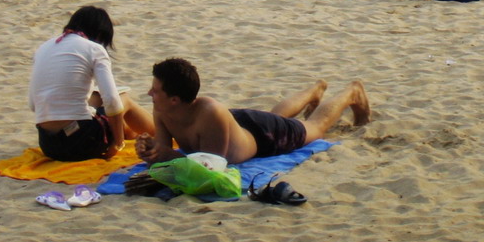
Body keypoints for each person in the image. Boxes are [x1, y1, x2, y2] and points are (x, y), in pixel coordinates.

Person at [135, 58, 371, 165]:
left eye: (155, 91)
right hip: (236, 127)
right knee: (275, 117)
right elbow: (163, 155)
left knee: (315, 128)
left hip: (261, 138)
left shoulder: (209, 112)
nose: (149, 94)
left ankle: (352, 92)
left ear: (175, 99)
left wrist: (165, 154)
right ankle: (314, 90)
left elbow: (211, 167)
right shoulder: (162, 110)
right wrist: (151, 151)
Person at [28, 6, 154, 161]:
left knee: (95, 96)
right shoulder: (93, 49)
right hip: (82, 143)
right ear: (100, 34)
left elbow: (33, 104)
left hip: (49, 144)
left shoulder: (44, 47)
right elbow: (112, 101)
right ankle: (160, 133)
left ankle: (133, 134)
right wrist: (117, 143)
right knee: (124, 98)